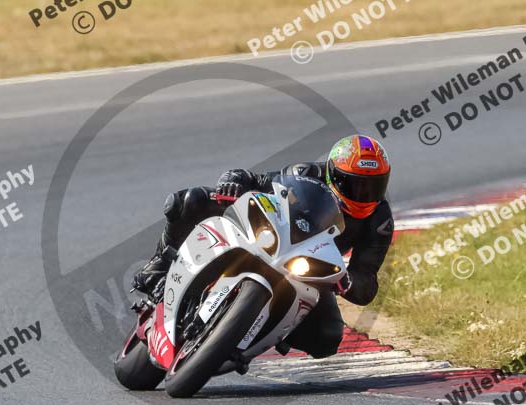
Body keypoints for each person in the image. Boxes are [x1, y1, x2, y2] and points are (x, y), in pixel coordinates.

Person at [132, 134, 394, 359]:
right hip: (268, 239)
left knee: (327, 339)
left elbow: (367, 278)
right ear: (334, 174)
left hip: (310, 273)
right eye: (355, 184)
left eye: (373, 186)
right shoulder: (304, 173)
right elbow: (258, 181)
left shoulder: (379, 221)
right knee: (190, 200)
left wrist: (347, 281)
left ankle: (269, 330)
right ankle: (159, 265)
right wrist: (235, 180)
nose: (364, 194)